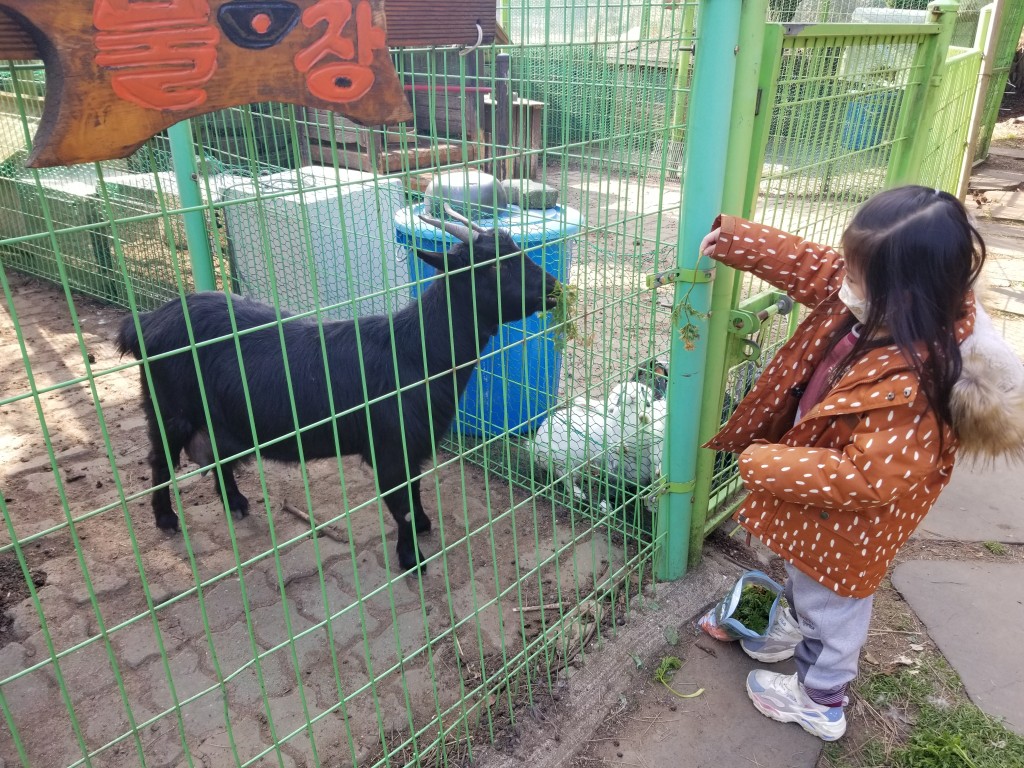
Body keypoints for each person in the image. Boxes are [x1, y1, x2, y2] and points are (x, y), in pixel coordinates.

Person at [698, 185, 1024, 741]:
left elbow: (867, 478)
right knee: (805, 578)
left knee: (836, 605)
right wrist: (738, 240)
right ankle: (791, 627)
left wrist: (764, 464)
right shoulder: (881, 301)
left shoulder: (922, 385)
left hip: (851, 527)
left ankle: (821, 696)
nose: (842, 278)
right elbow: (813, 266)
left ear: (904, 291)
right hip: (818, 505)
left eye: (855, 272)